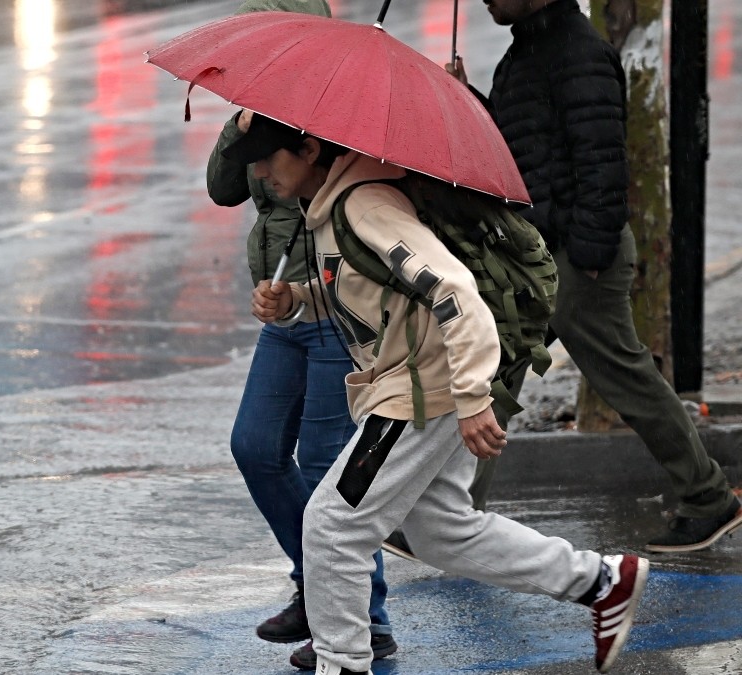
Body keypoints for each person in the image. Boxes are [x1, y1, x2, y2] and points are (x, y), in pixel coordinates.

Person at [230, 112, 649, 675]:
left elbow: (454, 289)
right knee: (441, 531)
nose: (259, 172)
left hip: (421, 393)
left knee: (332, 526)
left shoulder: (364, 205)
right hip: (419, 386)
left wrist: (474, 395)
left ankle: (343, 664)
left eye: (266, 156)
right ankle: (601, 581)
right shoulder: (329, 208)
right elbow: (375, 294)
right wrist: (299, 301)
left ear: (307, 149)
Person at [445, 0, 742, 553]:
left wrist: (588, 258)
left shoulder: (579, 54)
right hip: (547, 252)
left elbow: (604, 166)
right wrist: (470, 102)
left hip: (577, 257)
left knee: (624, 378)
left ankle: (708, 499)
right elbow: (524, 152)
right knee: (495, 366)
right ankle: (455, 517)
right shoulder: (529, 48)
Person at [204, 2, 395, 669]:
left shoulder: (341, 113)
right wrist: (242, 125)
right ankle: (318, 585)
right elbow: (222, 186)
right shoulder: (258, 114)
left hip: (336, 312)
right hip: (286, 308)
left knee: (325, 470)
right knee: (255, 445)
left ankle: (364, 617)